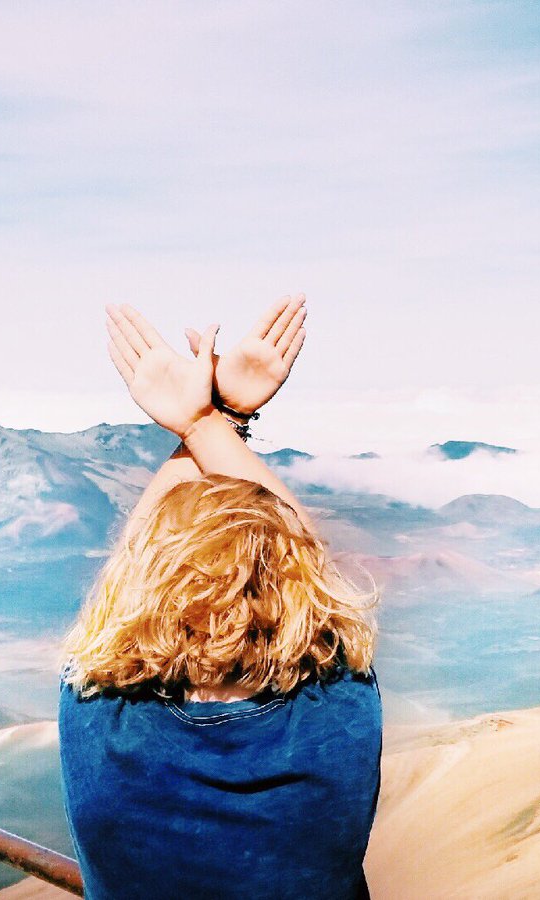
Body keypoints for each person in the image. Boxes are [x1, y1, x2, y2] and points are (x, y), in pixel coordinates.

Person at [57, 295, 383, 899]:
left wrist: (202, 419)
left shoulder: (103, 721)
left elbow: (118, 594)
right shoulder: (340, 714)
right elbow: (310, 558)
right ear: (296, 585)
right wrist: (214, 422)